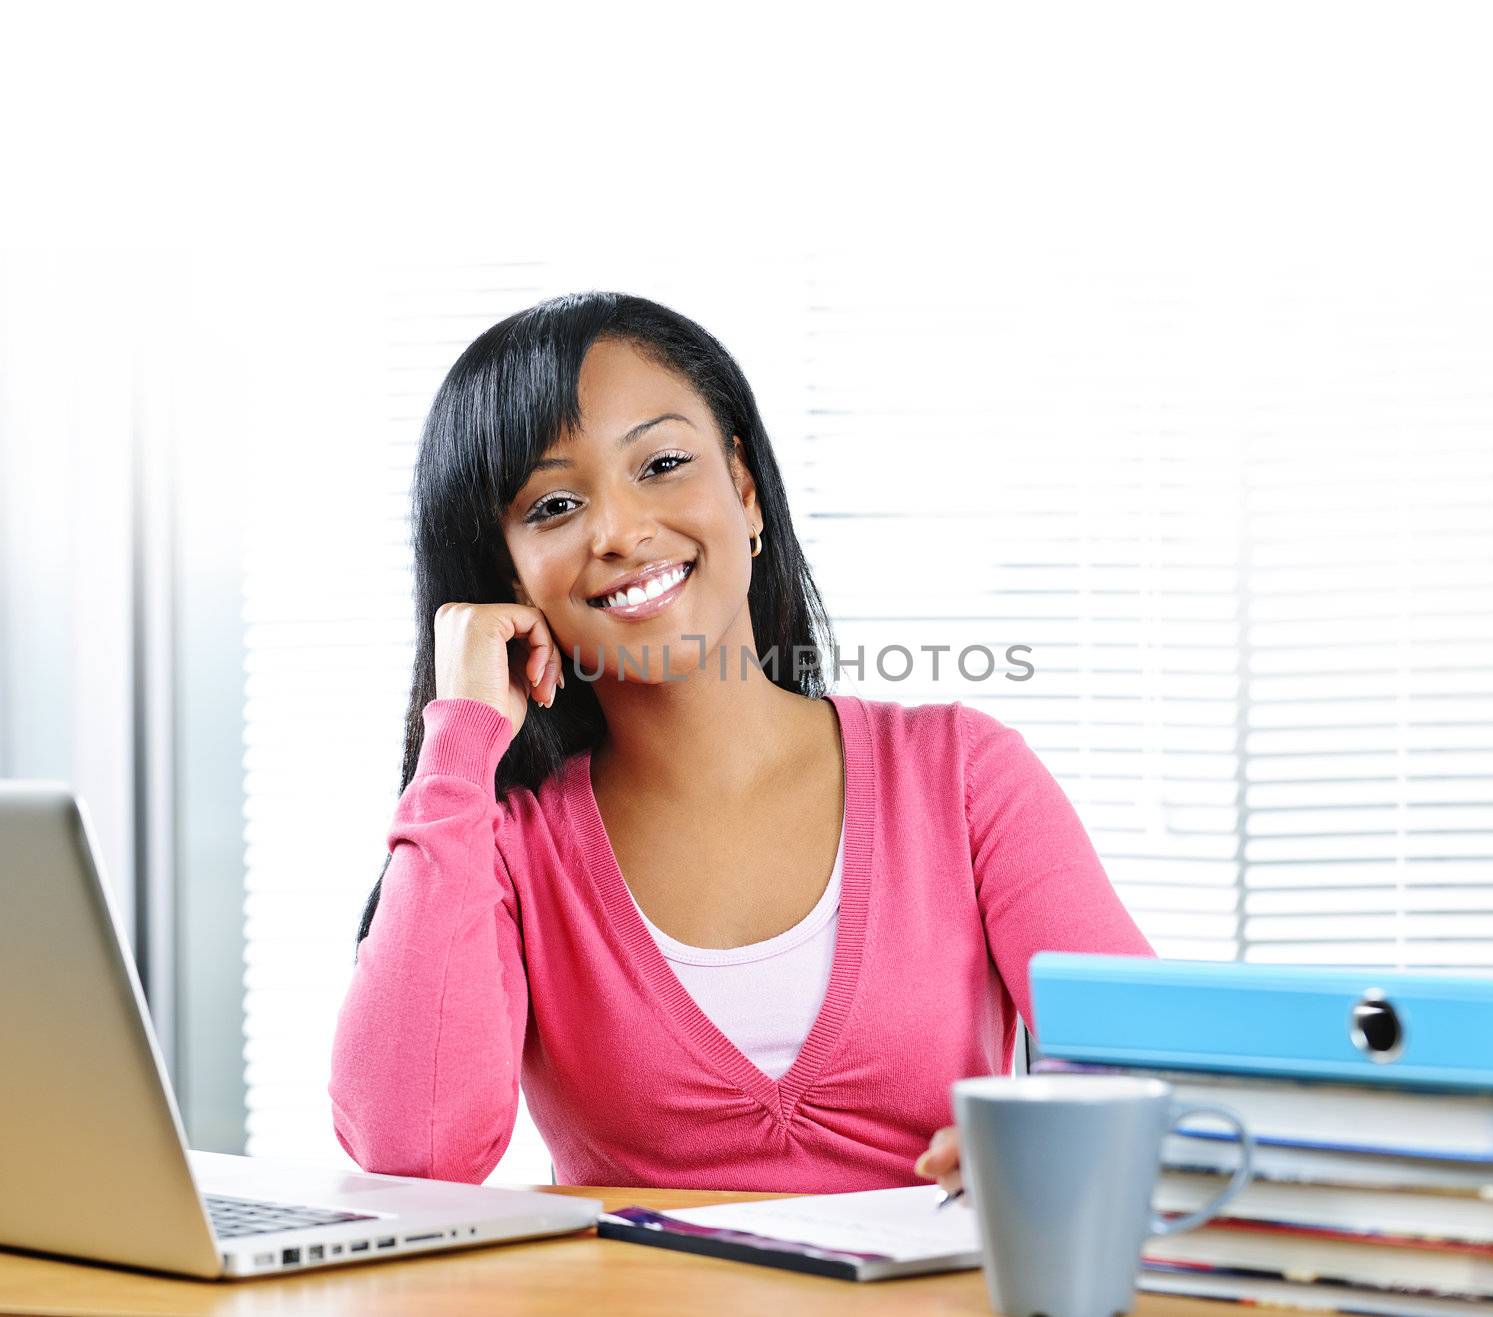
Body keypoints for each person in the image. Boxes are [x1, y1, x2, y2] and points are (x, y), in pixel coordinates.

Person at [329, 291, 1154, 1194]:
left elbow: (1154, 1075)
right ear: (506, 574)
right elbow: (415, 1150)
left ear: (747, 492)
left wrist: (1048, 1131)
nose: (618, 531)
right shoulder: (508, 842)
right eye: (556, 504)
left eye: (664, 462)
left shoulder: (961, 776)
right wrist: (458, 744)